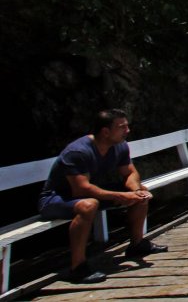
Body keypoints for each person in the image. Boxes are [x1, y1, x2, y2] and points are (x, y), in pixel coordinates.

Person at [38, 109, 168, 284]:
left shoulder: (119, 146)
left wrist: (135, 192)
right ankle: (78, 268)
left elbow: (129, 173)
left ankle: (137, 244)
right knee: (88, 205)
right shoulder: (78, 152)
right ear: (105, 132)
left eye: (127, 126)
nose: (127, 131)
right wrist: (122, 196)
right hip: (55, 199)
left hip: (88, 193)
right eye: (122, 127)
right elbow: (80, 189)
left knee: (141, 191)